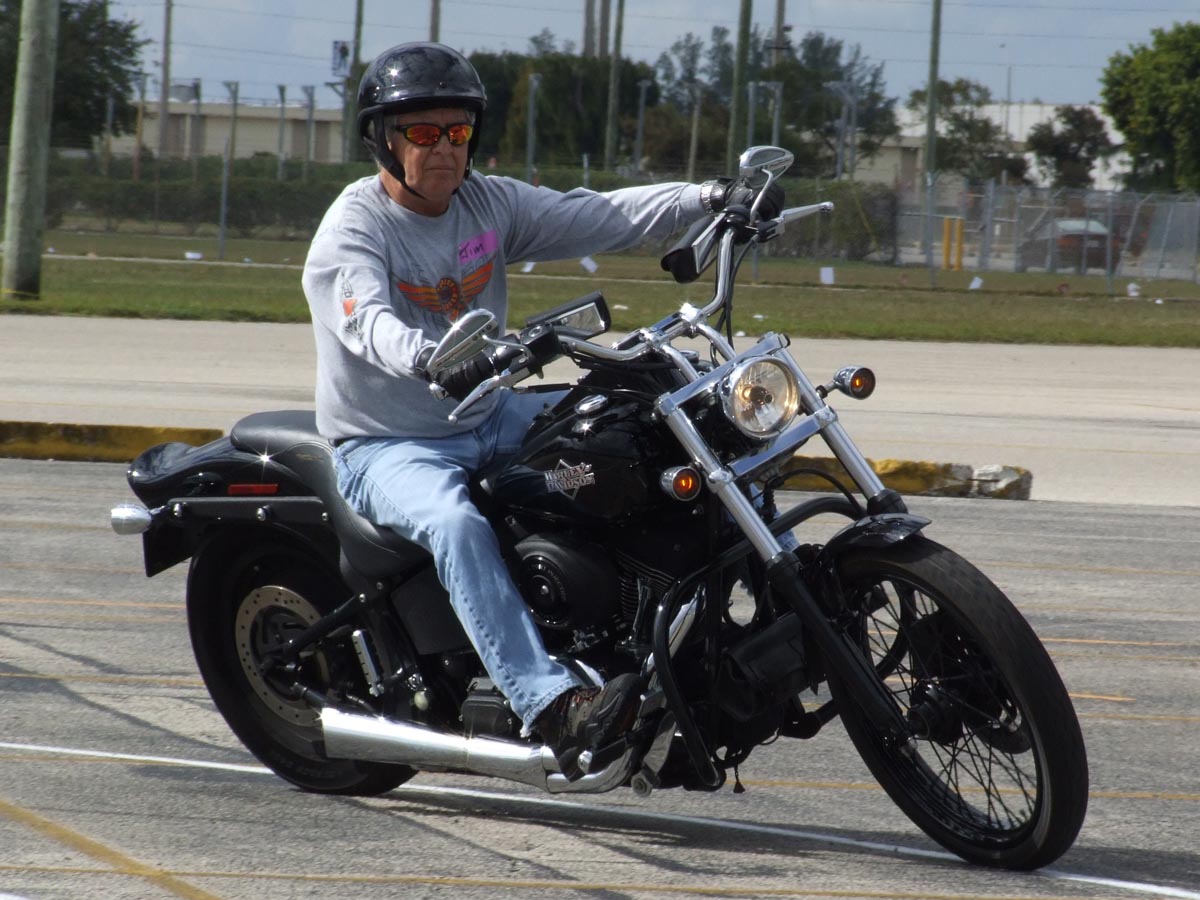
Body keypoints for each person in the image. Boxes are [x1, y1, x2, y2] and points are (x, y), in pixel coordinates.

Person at [301, 41, 764, 777]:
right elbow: (366, 318)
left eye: (457, 130)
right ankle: (551, 703)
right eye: (423, 131)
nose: (444, 147)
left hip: (487, 414)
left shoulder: (486, 203)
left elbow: (600, 214)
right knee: (456, 524)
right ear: (383, 139)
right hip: (389, 442)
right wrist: (430, 358)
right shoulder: (355, 226)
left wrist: (708, 198)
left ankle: (691, 623)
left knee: (635, 429)